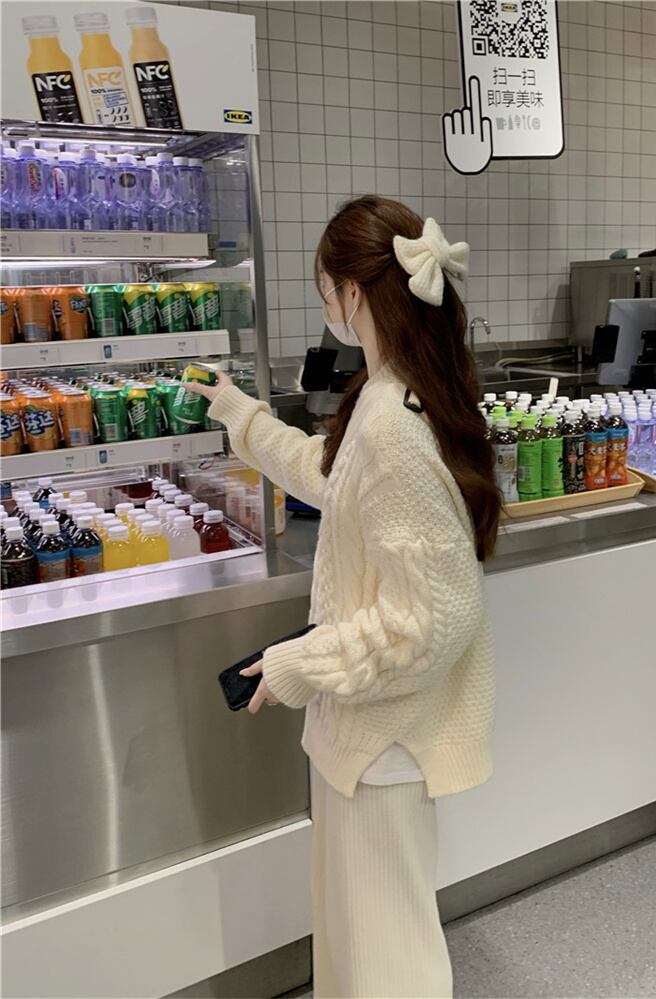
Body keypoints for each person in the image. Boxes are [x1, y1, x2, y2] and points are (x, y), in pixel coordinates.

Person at [189, 196, 500, 998]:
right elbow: (333, 477)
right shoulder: (393, 392)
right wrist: (242, 416)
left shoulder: (392, 423)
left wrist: (302, 662)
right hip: (368, 738)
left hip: (384, 744)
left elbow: (429, 621)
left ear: (353, 292)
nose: (324, 303)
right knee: (360, 952)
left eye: (325, 288)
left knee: (386, 964)